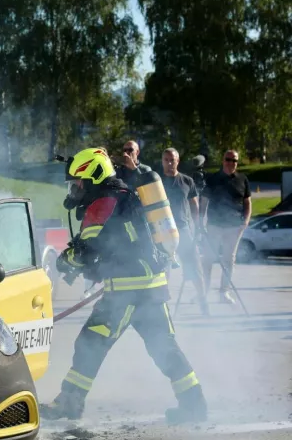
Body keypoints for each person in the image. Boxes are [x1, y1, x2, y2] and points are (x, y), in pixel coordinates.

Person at [41, 147, 208, 425]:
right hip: (152, 286)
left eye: (77, 182)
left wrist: (64, 261)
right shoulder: (123, 196)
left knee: (89, 343)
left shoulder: (104, 202)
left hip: (127, 291)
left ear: (93, 176)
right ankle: (195, 404)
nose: (74, 189)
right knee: (164, 348)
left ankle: (69, 403)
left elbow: (84, 251)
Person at [161, 147, 209, 315]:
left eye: (172, 160)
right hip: (163, 231)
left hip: (183, 229)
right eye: (166, 160)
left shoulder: (187, 181)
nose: (169, 163)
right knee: (163, 270)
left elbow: (194, 207)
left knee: (195, 266)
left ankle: (203, 303)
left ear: (177, 161)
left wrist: (197, 229)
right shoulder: (157, 181)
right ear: (162, 161)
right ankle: (163, 307)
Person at [200, 150, 251, 305]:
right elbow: (203, 202)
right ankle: (204, 292)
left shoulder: (242, 179)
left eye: (234, 160)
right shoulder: (213, 178)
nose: (231, 163)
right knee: (208, 259)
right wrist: (200, 223)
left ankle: (224, 292)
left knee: (229, 260)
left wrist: (245, 222)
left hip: (234, 227)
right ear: (223, 161)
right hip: (214, 225)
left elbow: (247, 202)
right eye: (228, 160)